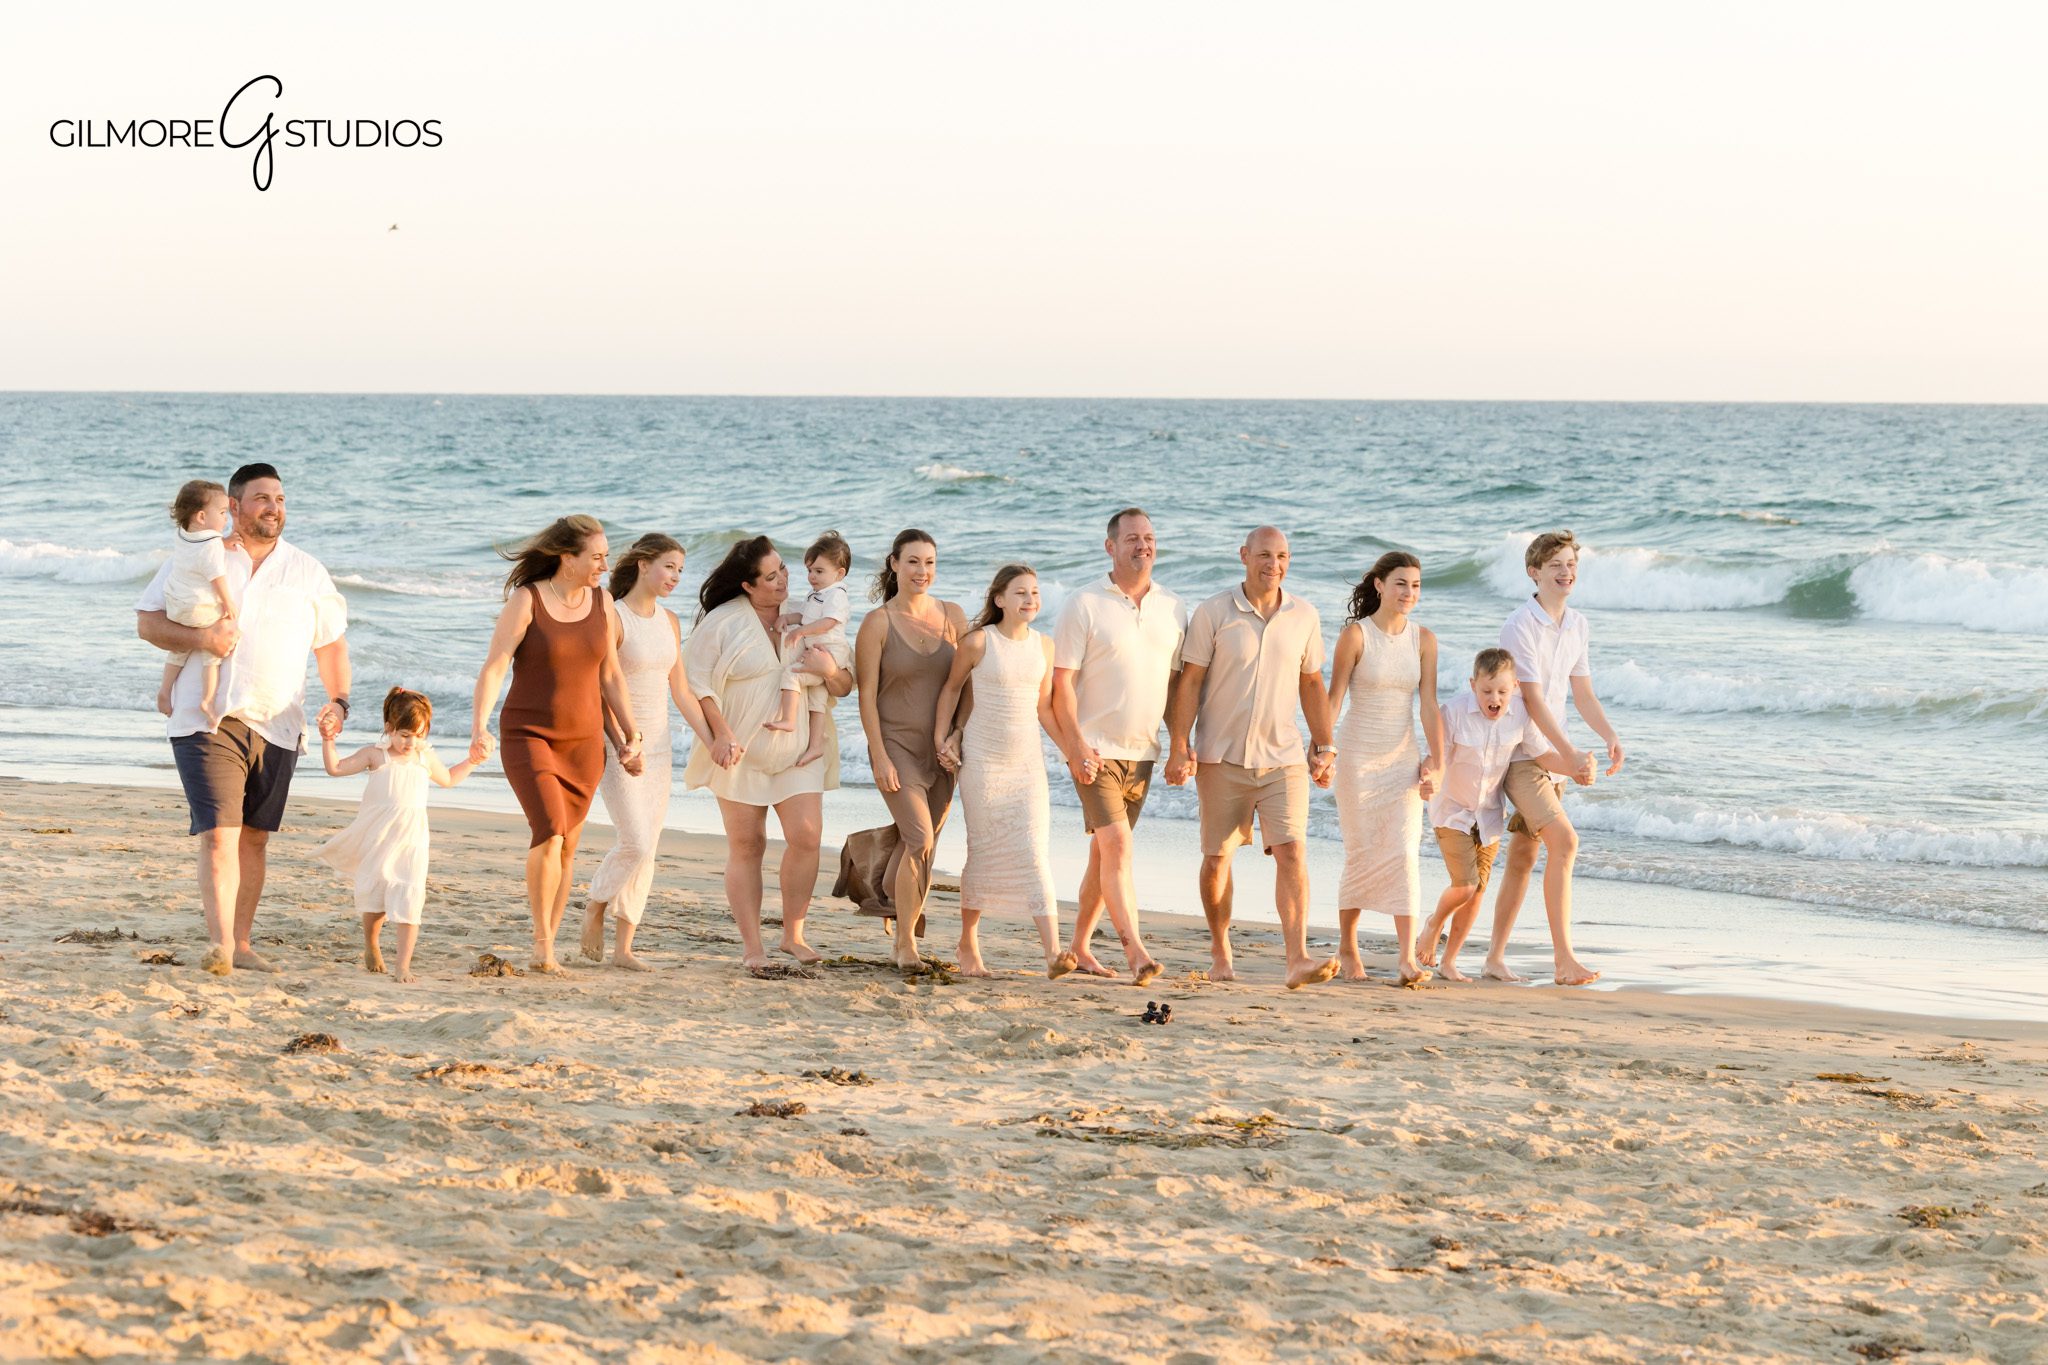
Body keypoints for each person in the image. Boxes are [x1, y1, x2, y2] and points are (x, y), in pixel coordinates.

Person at [134, 462, 351, 977]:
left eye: (279, 498)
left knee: (254, 836)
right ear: (232, 507)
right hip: (206, 716)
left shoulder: (307, 571)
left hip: (279, 720)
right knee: (219, 832)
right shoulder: (197, 557)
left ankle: (243, 941)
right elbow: (148, 622)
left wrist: (339, 701)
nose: (273, 507)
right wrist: (202, 640)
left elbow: (332, 644)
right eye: (261, 498)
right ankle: (221, 946)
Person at [1165, 525, 1337, 990]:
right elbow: (1191, 681)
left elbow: (1312, 684)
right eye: (1263, 555)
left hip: (1283, 758)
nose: (1273, 564)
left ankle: (1297, 957)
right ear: (1244, 556)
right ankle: (1221, 949)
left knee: (1293, 851)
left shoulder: (1304, 615)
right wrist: (1180, 744)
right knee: (1218, 859)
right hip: (1221, 757)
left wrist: (1324, 746)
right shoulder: (1214, 612)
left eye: (1281, 556)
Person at [470, 515, 644, 974]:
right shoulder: (527, 600)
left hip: (585, 743)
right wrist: (478, 726)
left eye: (607, 556)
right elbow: (495, 665)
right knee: (548, 829)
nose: (606, 565)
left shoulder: (603, 602)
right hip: (530, 735)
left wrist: (631, 734)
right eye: (597, 556)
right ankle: (542, 944)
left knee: (567, 845)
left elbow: (610, 675)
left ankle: (549, 935)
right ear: (567, 559)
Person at [684, 535, 853, 970]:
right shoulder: (722, 622)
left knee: (807, 837)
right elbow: (696, 686)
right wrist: (719, 735)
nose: (783, 579)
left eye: (783, 568)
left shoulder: (810, 610)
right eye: (772, 575)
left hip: (799, 750)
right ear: (748, 585)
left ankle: (793, 935)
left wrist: (829, 670)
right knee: (747, 844)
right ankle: (752, 947)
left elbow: (844, 684)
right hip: (739, 752)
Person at [1483, 529, 1624, 987]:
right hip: (1524, 753)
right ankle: (1564, 961)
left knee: (1524, 855)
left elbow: (1581, 690)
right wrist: (1567, 754)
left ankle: (1494, 958)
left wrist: (1608, 736)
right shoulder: (1519, 625)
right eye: (1556, 566)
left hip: (1552, 751)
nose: (1566, 573)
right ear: (1534, 573)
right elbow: (1534, 701)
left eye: (1571, 565)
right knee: (1566, 842)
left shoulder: (1578, 624)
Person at [1049, 507, 1184, 985]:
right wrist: (1076, 745)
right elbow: (1061, 684)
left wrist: (1179, 745)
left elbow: (1172, 689)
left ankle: (1081, 946)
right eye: (1131, 538)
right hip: (1096, 751)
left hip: (1143, 752)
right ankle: (1136, 952)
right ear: (1111, 546)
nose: (1142, 545)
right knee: (1118, 846)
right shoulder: (1084, 603)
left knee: (1104, 856)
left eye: (1149, 536)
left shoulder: (1172, 607)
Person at [934, 564, 1080, 979]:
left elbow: (1044, 709)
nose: (1029, 599)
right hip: (982, 761)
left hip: (1027, 765)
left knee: (1034, 849)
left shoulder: (1044, 647)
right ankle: (968, 942)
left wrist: (1072, 751)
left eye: (1034, 592)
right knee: (984, 849)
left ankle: (1053, 952)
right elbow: (950, 689)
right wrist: (942, 738)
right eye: (1019, 593)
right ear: (999, 599)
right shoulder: (979, 642)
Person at [579, 534, 715, 971]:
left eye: (680, 569)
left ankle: (624, 948)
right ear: (641, 564)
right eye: (668, 566)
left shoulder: (671, 622)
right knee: (634, 841)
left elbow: (681, 691)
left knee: (649, 847)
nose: (675, 576)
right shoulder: (613, 617)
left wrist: (712, 739)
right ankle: (596, 904)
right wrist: (621, 742)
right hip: (618, 744)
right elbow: (600, 688)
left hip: (658, 748)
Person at [1418, 649, 1591, 981]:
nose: (1494, 698)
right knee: (1466, 885)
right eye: (1486, 691)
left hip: (1488, 815)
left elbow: (1543, 755)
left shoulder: (1521, 715)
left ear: (1515, 687)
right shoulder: (1452, 713)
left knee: (1478, 890)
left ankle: (1449, 961)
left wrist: (1574, 769)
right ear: (1473, 685)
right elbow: (1436, 758)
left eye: (1502, 691)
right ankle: (1432, 923)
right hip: (1452, 811)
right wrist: (1429, 779)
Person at [854, 529, 970, 969]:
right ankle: (906, 943)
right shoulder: (877, 623)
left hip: (942, 749)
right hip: (896, 745)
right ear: (894, 564)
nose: (923, 571)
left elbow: (967, 685)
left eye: (930, 563)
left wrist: (957, 734)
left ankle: (880, 881)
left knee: (923, 841)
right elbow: (866, 696)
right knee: (919, 836)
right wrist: (879, 755)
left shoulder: (953, 616)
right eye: (914, 562)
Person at [1327, 551, 1445, 985]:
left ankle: (1406, 959)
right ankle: (1348, 946)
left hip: (1402, 762)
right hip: (1358, 758)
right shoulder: (1356, 637)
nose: (1409, 593)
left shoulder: (1424, 640)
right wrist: (1323, 747)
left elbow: (1428, 705)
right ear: (1379, 584)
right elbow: (1334, 698)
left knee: (1403, 852)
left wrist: (1438, 760)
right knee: (1361, 853)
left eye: (1415, 585)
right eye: (1400, 584)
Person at [317, 687, 483, 982]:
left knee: (409, 898)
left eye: (418, 735)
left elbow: (448, 780)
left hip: (413, 841)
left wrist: (472, 761)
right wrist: (328, 739)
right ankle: (371, 942)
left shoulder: (424, 758)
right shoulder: (376, 755)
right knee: (376, 900)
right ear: (389, 728)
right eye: (405, 735)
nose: (411, 742)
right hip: (380, 839)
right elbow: (336, 768)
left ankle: (402, 965)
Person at [764, 530, 854, 770]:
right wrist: (787, 618)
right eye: (809, 571)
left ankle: (788, 719)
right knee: (817, 699)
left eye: (819, 571)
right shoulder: (817, 594)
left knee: (792, 675)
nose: (812, 577)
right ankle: (815, 745)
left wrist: (800, 632)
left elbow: (828, 622)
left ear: (840, 573)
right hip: (819, 653)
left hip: (830, 653)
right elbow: (805, 615)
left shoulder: (836, 595)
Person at [156, 479, 237, 724]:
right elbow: (217, 577)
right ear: (202, 517)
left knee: (178, 651)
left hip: (176, 603)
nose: (226, 519)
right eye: (222, 513)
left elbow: (200, 550)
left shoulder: (183, 534)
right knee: (213, 652)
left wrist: (220, 542)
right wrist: (228, 604)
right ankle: (207, 700)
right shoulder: (212, 545)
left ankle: (164, 691)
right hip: (198, 609)